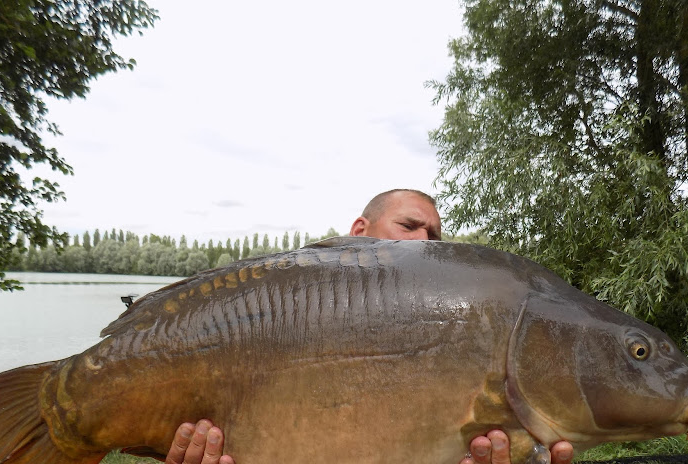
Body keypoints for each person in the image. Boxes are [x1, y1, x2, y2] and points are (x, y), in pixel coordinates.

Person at [163, 189, 574, 464]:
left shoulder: (451, 327)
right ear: (359, 231)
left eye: (434, 234)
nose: (425, 243)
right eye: (409, 226)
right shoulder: (299, 296)